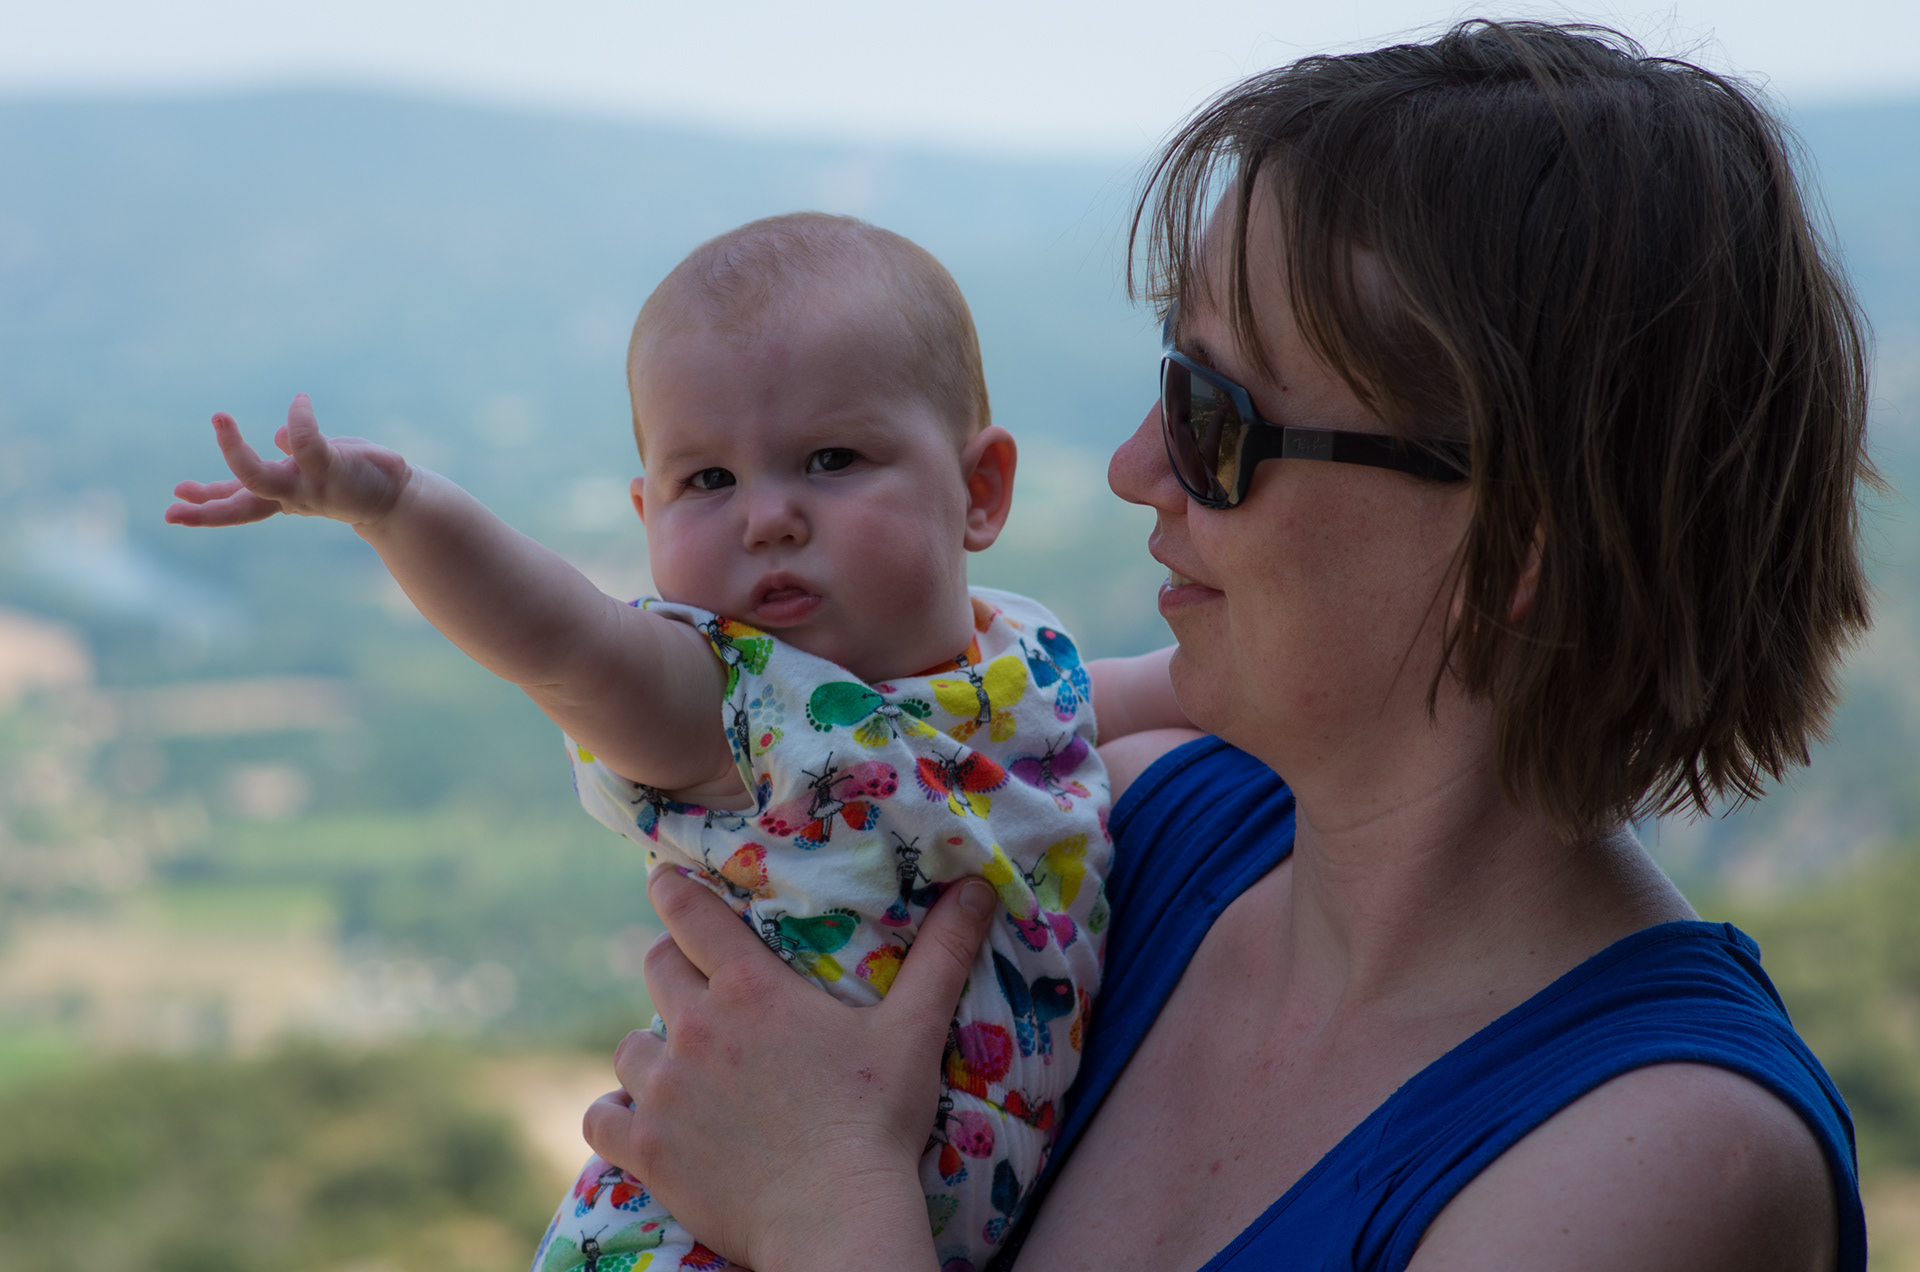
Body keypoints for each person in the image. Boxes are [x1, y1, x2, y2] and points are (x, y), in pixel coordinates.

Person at [577, 22, 1876, 1272]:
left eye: (1216, 418)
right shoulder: (1114, 832)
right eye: (1168, 383)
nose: (1139, 468)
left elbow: (815, 1175)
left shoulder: (1668, 1163)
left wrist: (822, 1206)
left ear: (1517, 544)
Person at [165, 214, 1196, 1271]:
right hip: (697, 1241)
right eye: (707, 481)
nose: (767, 517)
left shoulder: (1026, 661)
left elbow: (1170, 689)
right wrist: (398, 508)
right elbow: (563, 645)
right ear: (645, 511)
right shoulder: (732, 708)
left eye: (831, 459)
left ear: (979, 491)